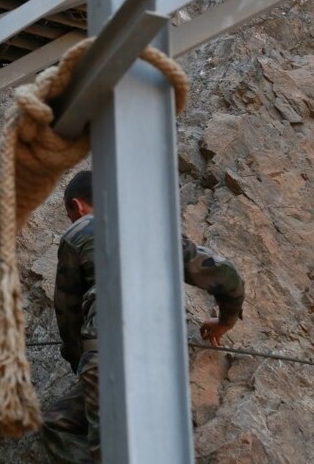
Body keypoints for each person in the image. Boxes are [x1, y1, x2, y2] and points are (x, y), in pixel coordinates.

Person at [41, 170, 246, 463]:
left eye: (70, 215)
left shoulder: (79, 233)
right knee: (60, 421)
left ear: (77, 205)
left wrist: (82, 364)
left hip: (107, 356)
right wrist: (225, 321)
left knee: (74, 432)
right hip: (161, 361)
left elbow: (68, 315)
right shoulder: (155, 228)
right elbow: (227, 275)